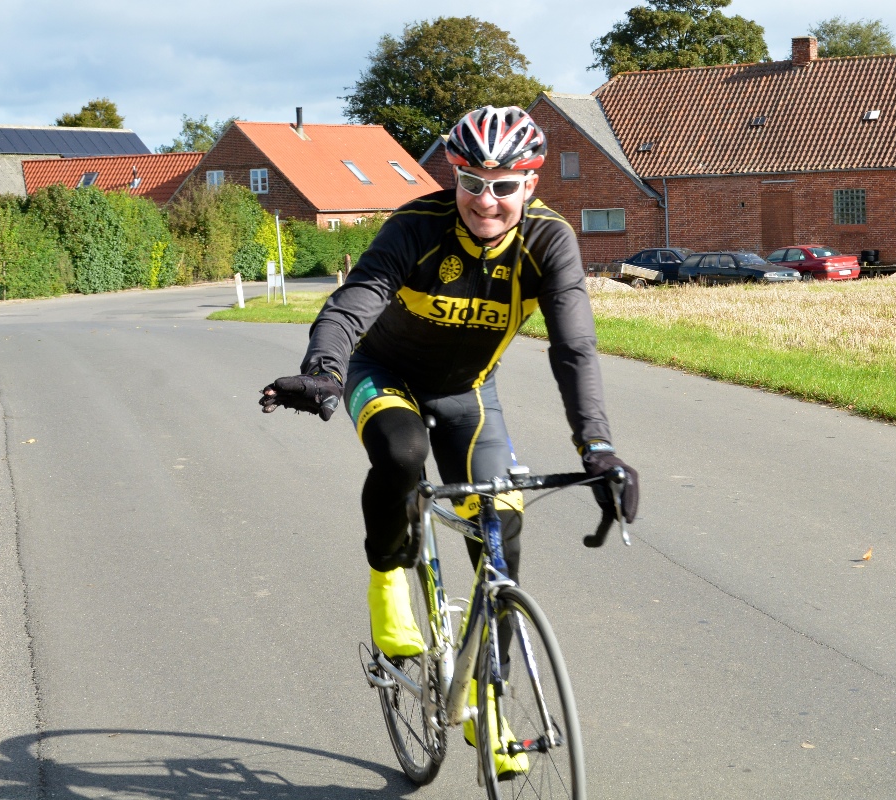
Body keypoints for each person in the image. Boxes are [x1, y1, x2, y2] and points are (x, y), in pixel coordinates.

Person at [260, 106, 638, 777]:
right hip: (384, 373)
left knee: (502, 523)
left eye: (504, 186)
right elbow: (354, 301)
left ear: (531, 183)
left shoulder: (548, 242)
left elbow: (574, 348)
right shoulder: (419, 226)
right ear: (454, 177)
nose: (485, 201)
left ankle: (486, 702)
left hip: (467, 391)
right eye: (471, 183)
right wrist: (324, 370)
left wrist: (598, 449)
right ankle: (386, 576)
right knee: (402, 454)